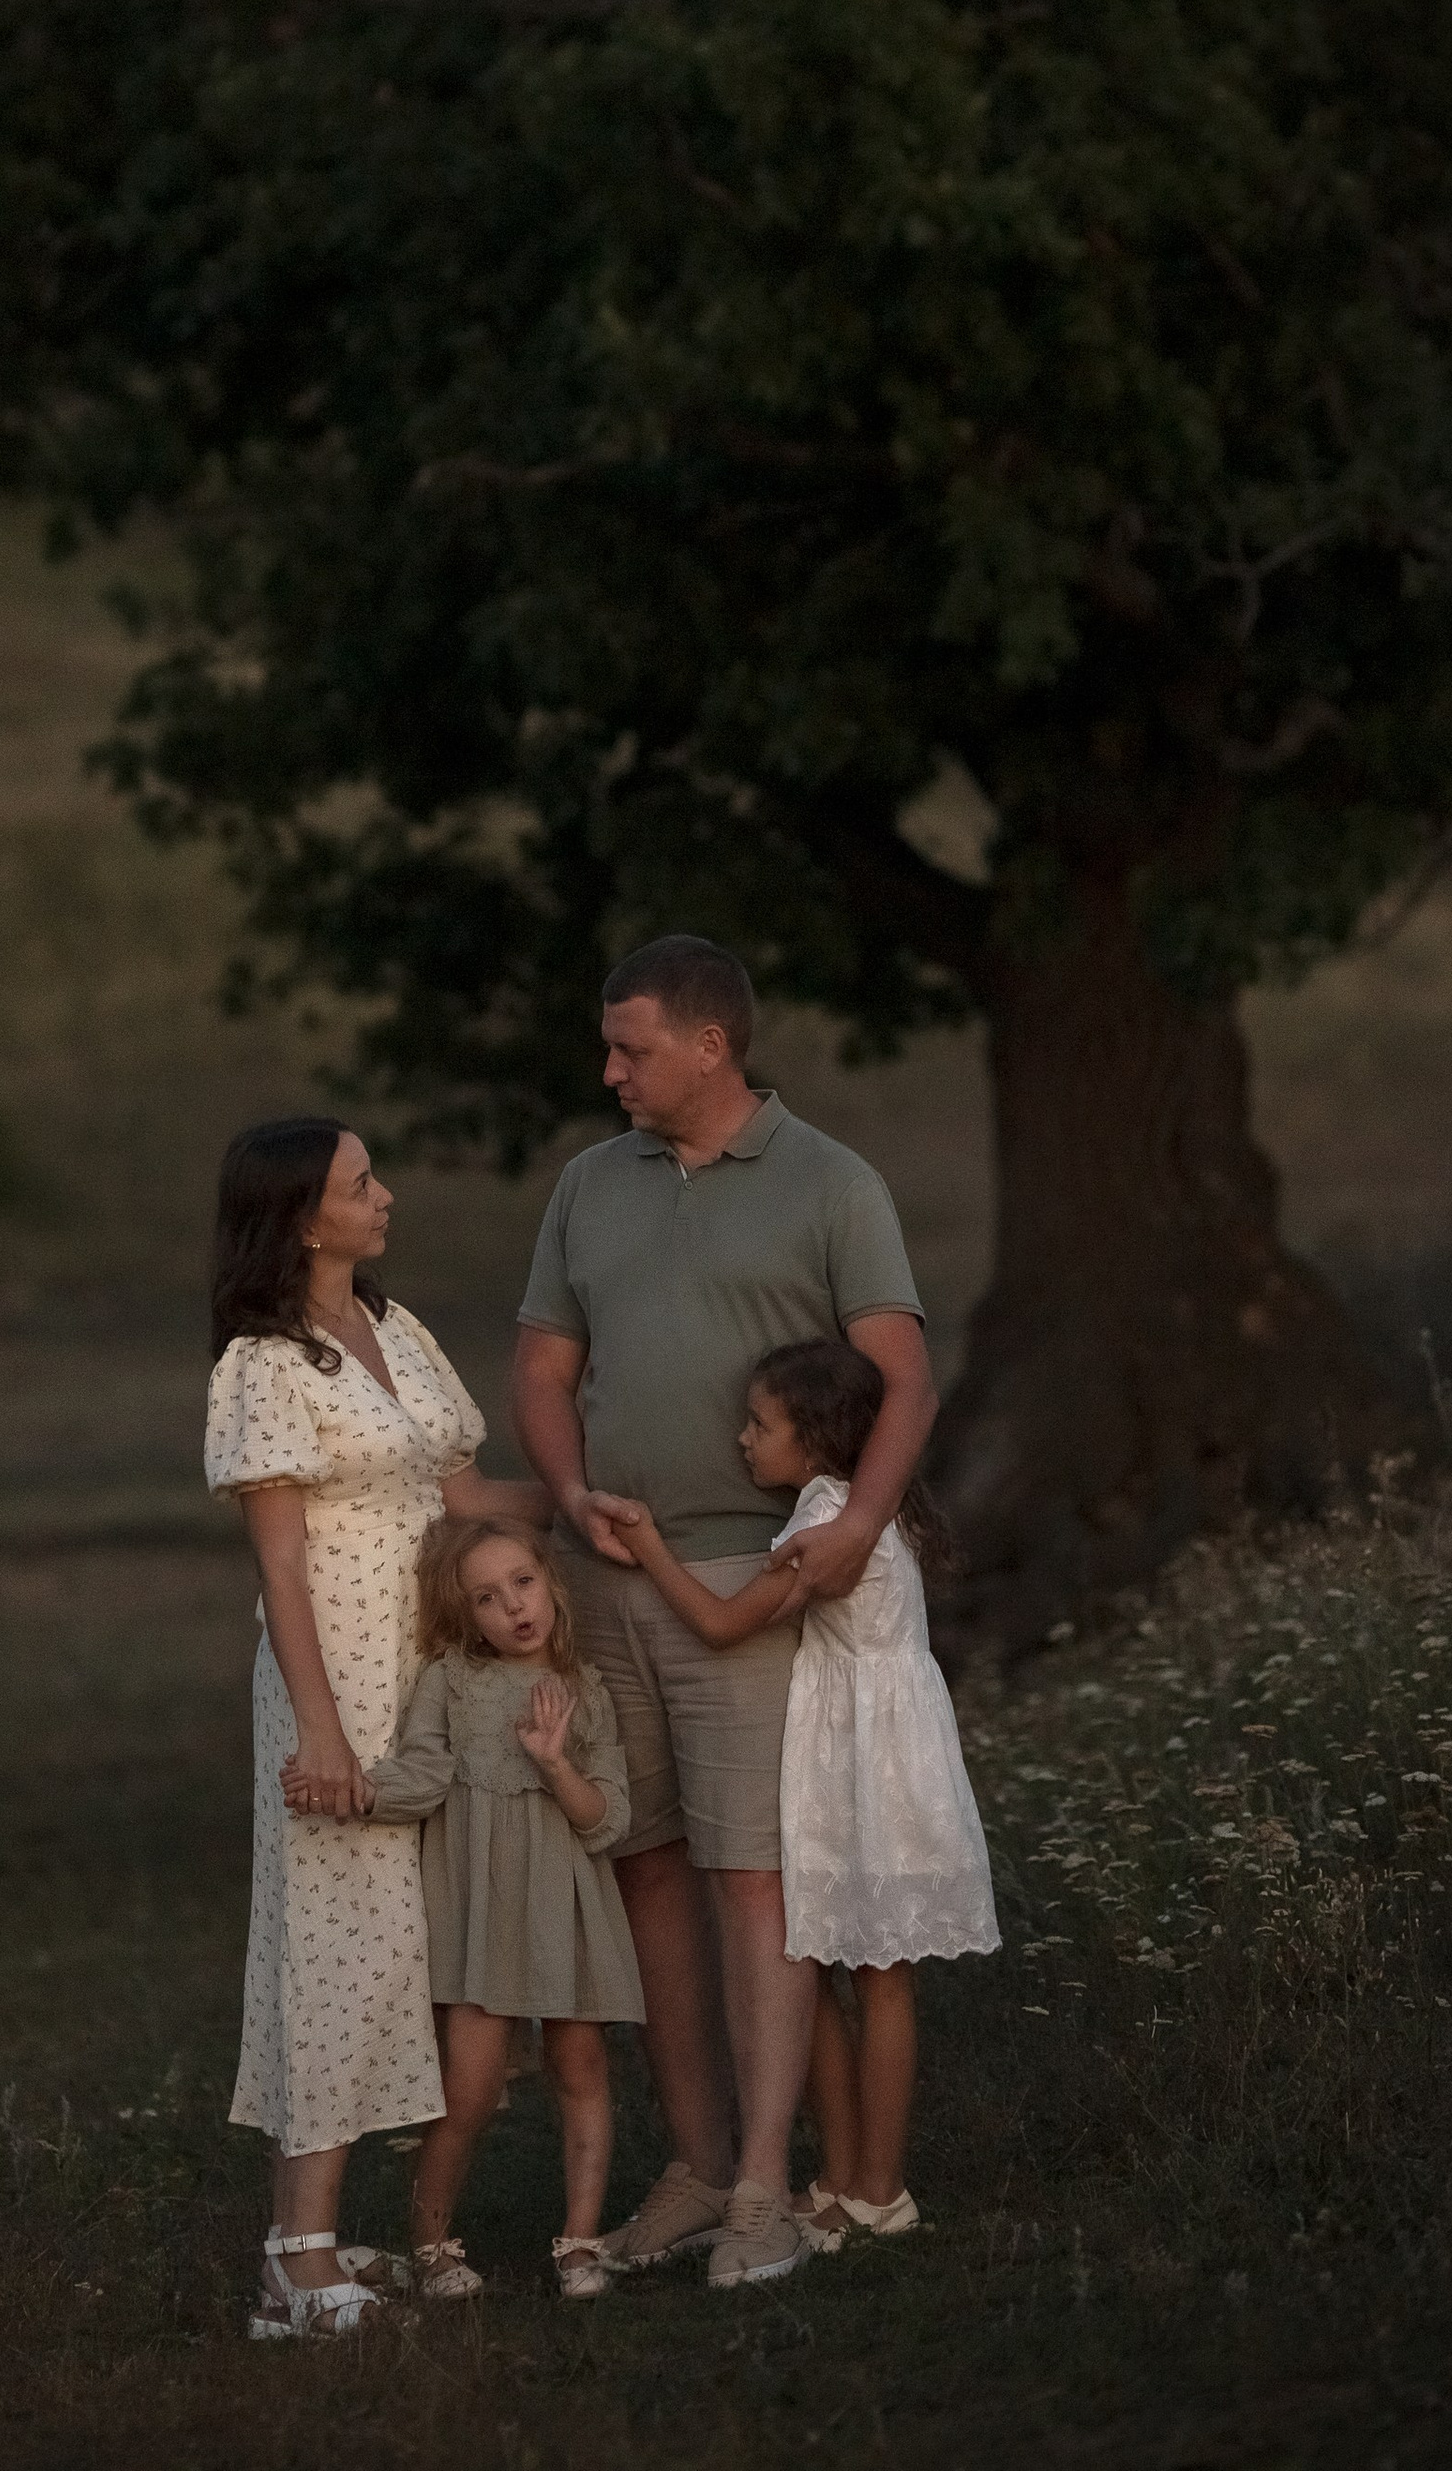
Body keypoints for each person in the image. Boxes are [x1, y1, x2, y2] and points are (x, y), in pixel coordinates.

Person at [510, 932, 937, 2291]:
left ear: (712, 1046)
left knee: (756, 1880)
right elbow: (542, 1362)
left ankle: (767, 2188)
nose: (610, 1069)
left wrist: (858, 1526)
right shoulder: (591, 1181)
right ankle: (695, 2165)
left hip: (751, 1590)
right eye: (608, 1045)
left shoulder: (831, 1184)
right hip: (602, 1579)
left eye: (631, 1046)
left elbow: (905, 1381)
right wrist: (569, 1490)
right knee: (643, 1868)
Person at [203, 1115, 551, 2340]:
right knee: (339, 1946)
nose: (386, 1196)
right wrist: (321, 1734)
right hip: (337, 1688)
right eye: (362, 1184)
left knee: (408, 1949)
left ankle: (340, 2226)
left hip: (431, 1681)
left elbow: (465, 1500)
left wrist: (585, 1497)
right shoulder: (265, 1363)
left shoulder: (393, 1332)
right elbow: (281, 1569)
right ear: (304, 1217)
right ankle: (294, 2256)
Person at [609, 1335, 999, 2245]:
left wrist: (651, 1546)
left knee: (873, 1971)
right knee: (837, 1959)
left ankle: (877, 2188)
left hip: (864, 1762)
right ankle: (846, 2180)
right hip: (885, 1749)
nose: (743, 1440)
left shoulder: (827, 1526)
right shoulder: (872, 1502)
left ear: (817, 1440)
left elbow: (719, 1623)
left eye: (759, 1424)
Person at [357, 1514, 643, 2303]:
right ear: (463, 1613)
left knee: (580, 2068)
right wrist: (355, 1790)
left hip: (565, 1904)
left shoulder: (586, 1689)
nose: (514, 1606)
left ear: (551, 1580)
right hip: (483, 1912)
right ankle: (432, 2246)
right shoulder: (454, 1679)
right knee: (470, 2089)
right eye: (487, 1597)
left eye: (523, 1582)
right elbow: (418, 1773)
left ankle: (581, 2244)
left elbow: (605, 1818)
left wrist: (553, 1764)